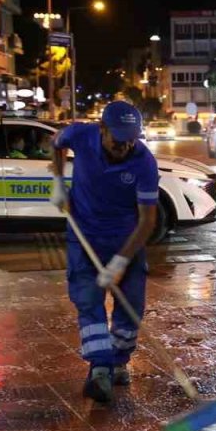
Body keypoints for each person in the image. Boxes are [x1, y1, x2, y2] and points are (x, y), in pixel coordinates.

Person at [49, 101, 159, 403]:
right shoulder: (81, 136)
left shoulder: (144, 163)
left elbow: (148, 219)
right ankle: (99, 369)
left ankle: (119, 360)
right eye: (117, 139)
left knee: (132, 305)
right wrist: (58, 181)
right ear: (102, 129)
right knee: (88, 300)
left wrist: (122, 260)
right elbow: (55, 143)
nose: (124, 146)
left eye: (130, 140)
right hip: (83, 235)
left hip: (127, 239)